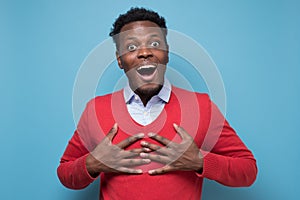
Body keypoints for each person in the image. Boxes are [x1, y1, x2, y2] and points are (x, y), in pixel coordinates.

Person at [57, 7, 257, 200]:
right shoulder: (95, 109)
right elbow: (65, 173)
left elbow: (248, 171)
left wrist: (199, 161)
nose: (145, 52)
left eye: (154, 44)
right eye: (132, 47)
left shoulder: (201, 106)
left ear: (166, 53)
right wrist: (93, 163)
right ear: (120, 60)